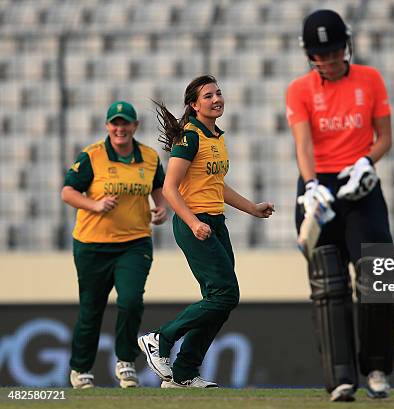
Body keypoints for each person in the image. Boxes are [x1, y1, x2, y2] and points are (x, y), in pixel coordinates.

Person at [286, 9, 394, 402]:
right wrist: (312, 185)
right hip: (320, 189)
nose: (330, 61)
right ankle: (341, 380)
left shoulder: (370, 79)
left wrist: (368, 161)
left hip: (360, 185)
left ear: (345, 47)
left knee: (378, 277)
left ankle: (378, 367)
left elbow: (384, 137)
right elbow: (302, 144)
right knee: (328, 287)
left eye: (335, 52)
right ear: (310, 56)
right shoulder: (299, 89)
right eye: (322, 55)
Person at [138, 75, 274, 388]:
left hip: (215, 224)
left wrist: (252, 208)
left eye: (218, 93)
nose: (216, 99)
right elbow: (170, 189)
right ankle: (160, 338)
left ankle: (184, 372)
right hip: (194, 224)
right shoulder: (190, 136)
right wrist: (193, 222)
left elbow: (217, 186)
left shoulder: (215, 137)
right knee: (226, 295)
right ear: (194, 105)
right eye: (208, 96)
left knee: (220, 298)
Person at [61, 101, 168, 389]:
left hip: (135, 242)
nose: (120, 129)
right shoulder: (93, 156)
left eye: (126, 123)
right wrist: (94, 205)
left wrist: (161, 207)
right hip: (92, 245)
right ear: (108, 126)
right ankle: (81, 369)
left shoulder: (148, 156)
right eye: (115, 123)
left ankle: (125, 363)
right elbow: (68, 192)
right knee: (91, 308)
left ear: (135, 126)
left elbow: (159, 187)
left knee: (131, 300)